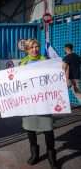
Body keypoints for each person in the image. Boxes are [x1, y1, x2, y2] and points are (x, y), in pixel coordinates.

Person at [20, 39, 59, 169]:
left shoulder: (46, 62)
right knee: (30, 129)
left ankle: (51, 157)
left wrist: (62, 67)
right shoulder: (22, 64)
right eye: (31, 47)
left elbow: (55, 78)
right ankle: (35, 155)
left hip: (44, 102)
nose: (35, 49)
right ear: (27, 50)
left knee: (48, 129)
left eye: (37, 47)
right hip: (29, 104)